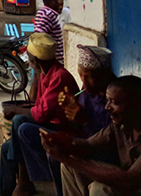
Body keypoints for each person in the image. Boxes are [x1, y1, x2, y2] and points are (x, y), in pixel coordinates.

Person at [0, 33, 79, 196]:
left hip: (62, 130)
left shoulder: (59, 77)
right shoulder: (44, 74)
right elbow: (37, 103)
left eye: (29, 58)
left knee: (21, 123)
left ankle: (23, 181)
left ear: (36, 60)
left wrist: (15, 110)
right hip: (49, 124)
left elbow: (41, 115)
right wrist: (35, 78)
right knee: (7, 148)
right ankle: (5, 191)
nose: (28, 61)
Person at [41, 75, 141, 196]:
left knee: (100, 188)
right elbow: (88, 144)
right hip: (128, 181)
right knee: (69, 167)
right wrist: (65, 142)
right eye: (107, 100)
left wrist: (67, 159)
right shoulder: (119, 126)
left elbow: (129, 179)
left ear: (135, 104)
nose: (107, 107)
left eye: (115, 102)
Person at [48, 45, 117, 195]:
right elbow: (79, 130)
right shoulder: (86, 93)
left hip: (112, 157)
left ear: (104, 75)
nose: (83, 82)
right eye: (80, 76)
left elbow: (112, 137)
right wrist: (67, 109)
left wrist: (86, 121)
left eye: (88, 76)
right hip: (91, 148)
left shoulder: (117, 96)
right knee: (60, 156)